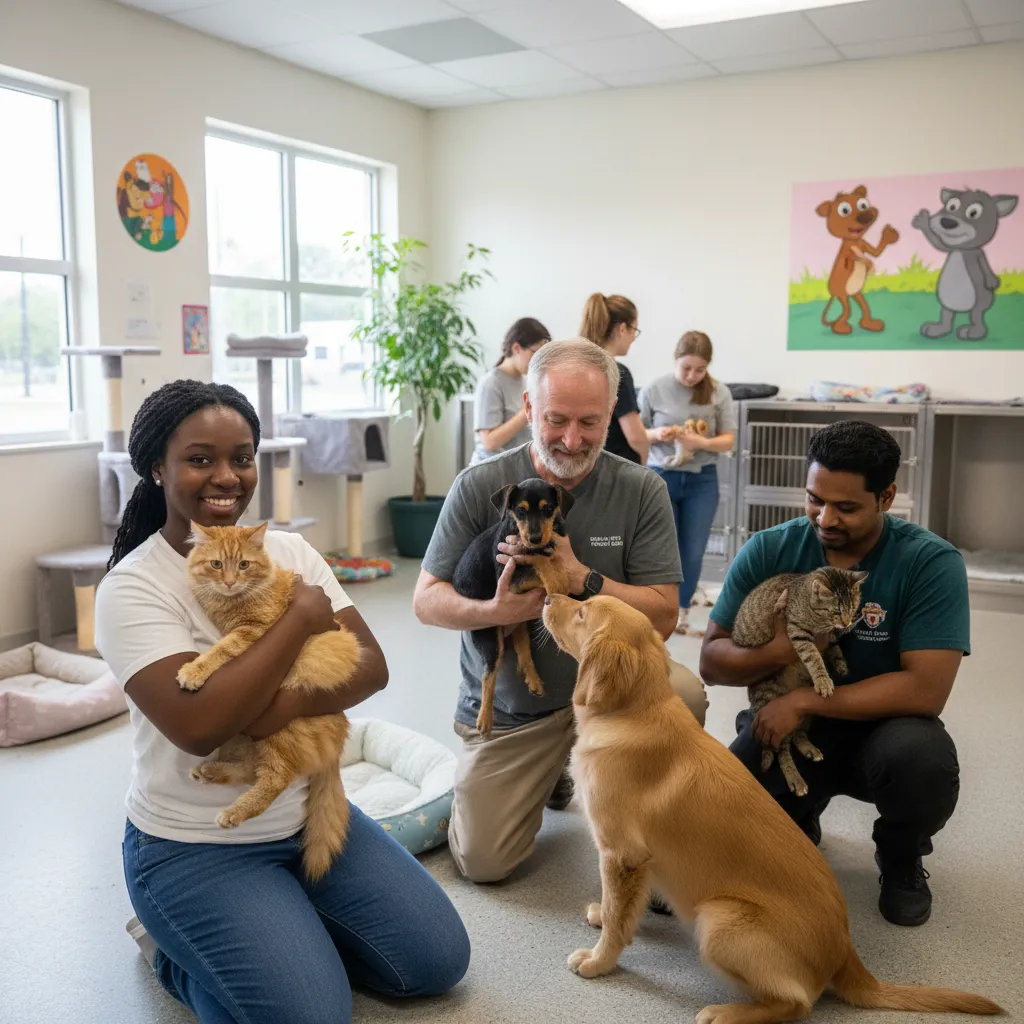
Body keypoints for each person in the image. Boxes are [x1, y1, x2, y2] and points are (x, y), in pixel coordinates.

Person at [94, 381, 469, 1024]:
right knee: (314, 1016)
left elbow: (369, 668)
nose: (226, 477)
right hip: (192, 845)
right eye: (199, 458)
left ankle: (282, 927)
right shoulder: (132, 588)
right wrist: (298, 619)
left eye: (241, 458)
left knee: (437, 964)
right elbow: (203, 725)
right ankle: (171, 954)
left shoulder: (287, 549)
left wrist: (264, 708)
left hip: (302, 813)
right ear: (157, 467)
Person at [413, 340, 708, 884]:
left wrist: (581, 578)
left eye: (590, 422)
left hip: (614, 695)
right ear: (528, 408)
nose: (572, 440)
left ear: (613, 416)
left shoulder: (642, 489)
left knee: (685, 694)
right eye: (556, 420)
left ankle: (649, 821)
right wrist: (492, 608)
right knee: (483, 862)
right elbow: (426, 601)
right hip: (516, 707)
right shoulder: (480, 485)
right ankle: (549, 771)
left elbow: (665, 615)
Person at [700, 420, 967, 928]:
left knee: (922, 763)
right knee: (722, 810)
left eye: (846, 507)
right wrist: (783, 650)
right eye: (814, 499)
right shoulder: (770, 548)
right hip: (789, 723)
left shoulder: (930, 562)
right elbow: (712, 660)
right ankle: (804, 810)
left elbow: (927, 690)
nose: (825, 518)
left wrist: (805, 701)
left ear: (887, 496)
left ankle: (901, 855)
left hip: (885, 727)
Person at [641, 331, 736, 635]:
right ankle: (657, 610)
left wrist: (699, 442)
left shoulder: (719, 392)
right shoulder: (654, 389)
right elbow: (635, 433)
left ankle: (681, 614)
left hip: (702, 480)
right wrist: (658, 434)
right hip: (661, 477)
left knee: (692, 551)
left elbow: (728, 441)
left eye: (700, 369)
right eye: (686, 368)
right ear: (675, 360)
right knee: (660, 550)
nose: (692, 375)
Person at [578, 292, 649, 466]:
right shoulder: (617, 373)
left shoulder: (578, 367)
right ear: (623, 328)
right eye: (634, 330)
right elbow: (636, 437)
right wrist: (645, 462)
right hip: (619, 468)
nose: (633, 338)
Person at [470, 317, 550, 465]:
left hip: (515, 467)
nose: (538, 362)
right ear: (516, 348)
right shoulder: (491, 383)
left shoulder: (526, 381)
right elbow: (489, 442)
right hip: (490, 471)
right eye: (534, 353)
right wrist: (528, 410)